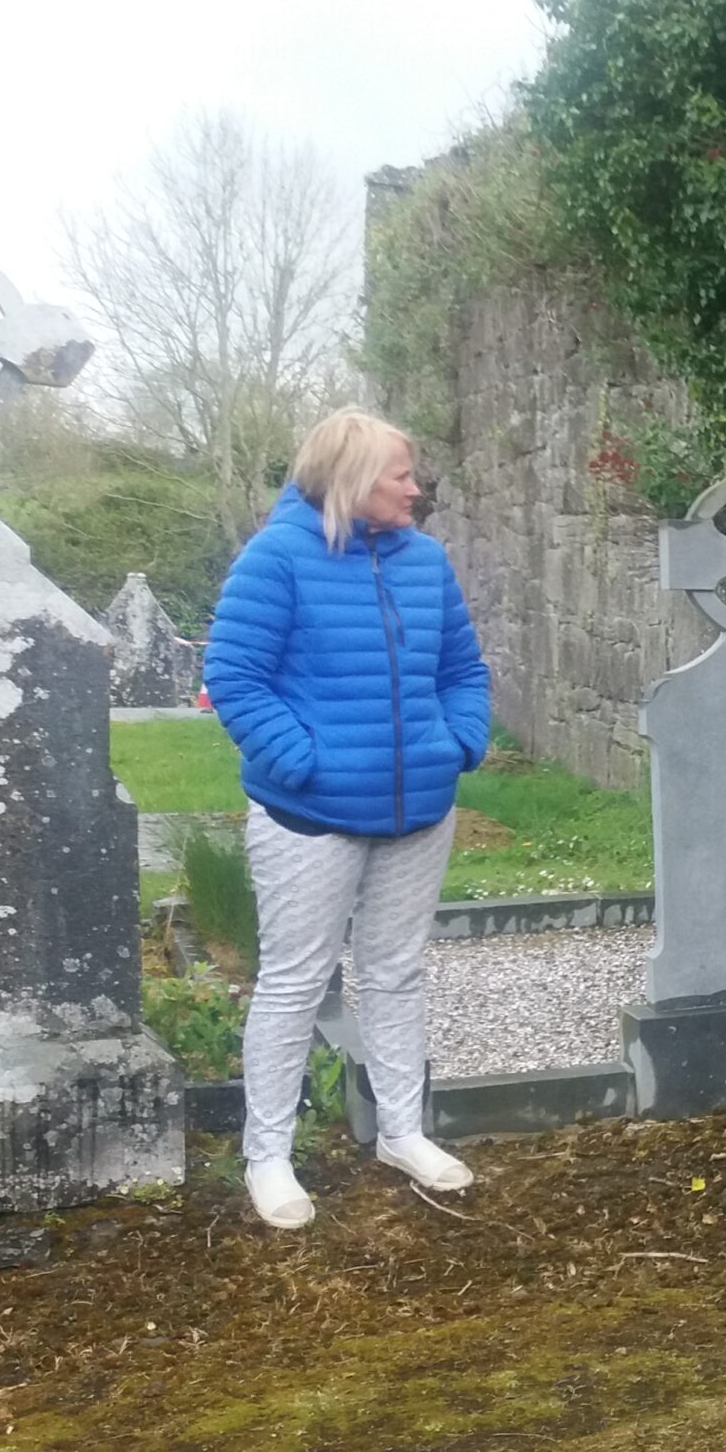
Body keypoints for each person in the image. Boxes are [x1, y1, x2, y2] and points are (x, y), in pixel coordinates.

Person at [202, 408, 492, 1230]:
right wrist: (305, 763)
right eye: (401, 475)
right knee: (295, 982)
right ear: (353, 481)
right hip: (310, 816)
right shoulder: (277, 558)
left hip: (419, 810)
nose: (415, 488)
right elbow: (234, 675)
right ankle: (268, 1157)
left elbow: (463, 670)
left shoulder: (425, 560)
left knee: (396, 972)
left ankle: (403, 1133)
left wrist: (456, 744)